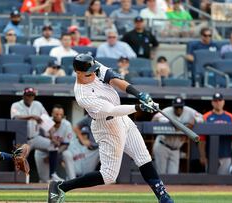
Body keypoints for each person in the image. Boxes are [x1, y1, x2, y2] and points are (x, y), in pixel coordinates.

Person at [48, 53, 174, 203]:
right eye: (90, 73)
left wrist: (139, 94)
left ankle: (163, 196)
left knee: (143, 158)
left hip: (123, 119)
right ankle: (61, 186)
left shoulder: (93, 66)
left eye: (95, 70)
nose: (94, 74)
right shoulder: (82, 95)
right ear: (78, 73)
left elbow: (115, 79)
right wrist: (140, 107)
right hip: (106, 127)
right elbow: (112, 110)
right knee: (108, 176)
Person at [10, 87, 59, 183]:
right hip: (22, 140)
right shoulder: (16, 105)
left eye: (32, 95)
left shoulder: (38, 105)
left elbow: (47, 121)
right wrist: (32, 116)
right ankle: (20, 182)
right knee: (19, 162)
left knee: (53, 145)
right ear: (23, 96)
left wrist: (53, 137)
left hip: (35, 137)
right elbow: (15, 118)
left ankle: (52, 174)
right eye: (28, 95)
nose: (30, 97)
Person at [152, 97, 203, 174]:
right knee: (161, 174)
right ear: (173, 107)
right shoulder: (167, 110)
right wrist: (169, 122)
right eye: (176, 107)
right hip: (163, 146)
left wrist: (194, 121)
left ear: (183, 107)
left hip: (176, 149)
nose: (178, 109)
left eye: (180, 107)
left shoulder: (189, 111)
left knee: (173, 175)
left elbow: (201, 118)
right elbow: (154, 119)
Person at [198, 93, 232, 175]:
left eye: (220, 100)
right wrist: (202, 156)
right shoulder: (206, 117)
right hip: (210, 155)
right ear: (212, 103)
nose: (218, 103)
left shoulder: (230, 117)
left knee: (224, 182)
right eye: (215, 101)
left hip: (226, 154)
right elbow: (202, 140)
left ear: (223, 102)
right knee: (210, 181)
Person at [34, 104, 73, 182]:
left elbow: (65, 145)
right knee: (44, 180)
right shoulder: (45, 123)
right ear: (52, 114)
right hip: (43, 152)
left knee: (68, 154)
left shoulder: (67, 125)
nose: (59, 116)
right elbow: (37, 141)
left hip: (59, 151)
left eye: (61, 114)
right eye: (56, 114)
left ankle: (72, 179)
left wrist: (53, 156)